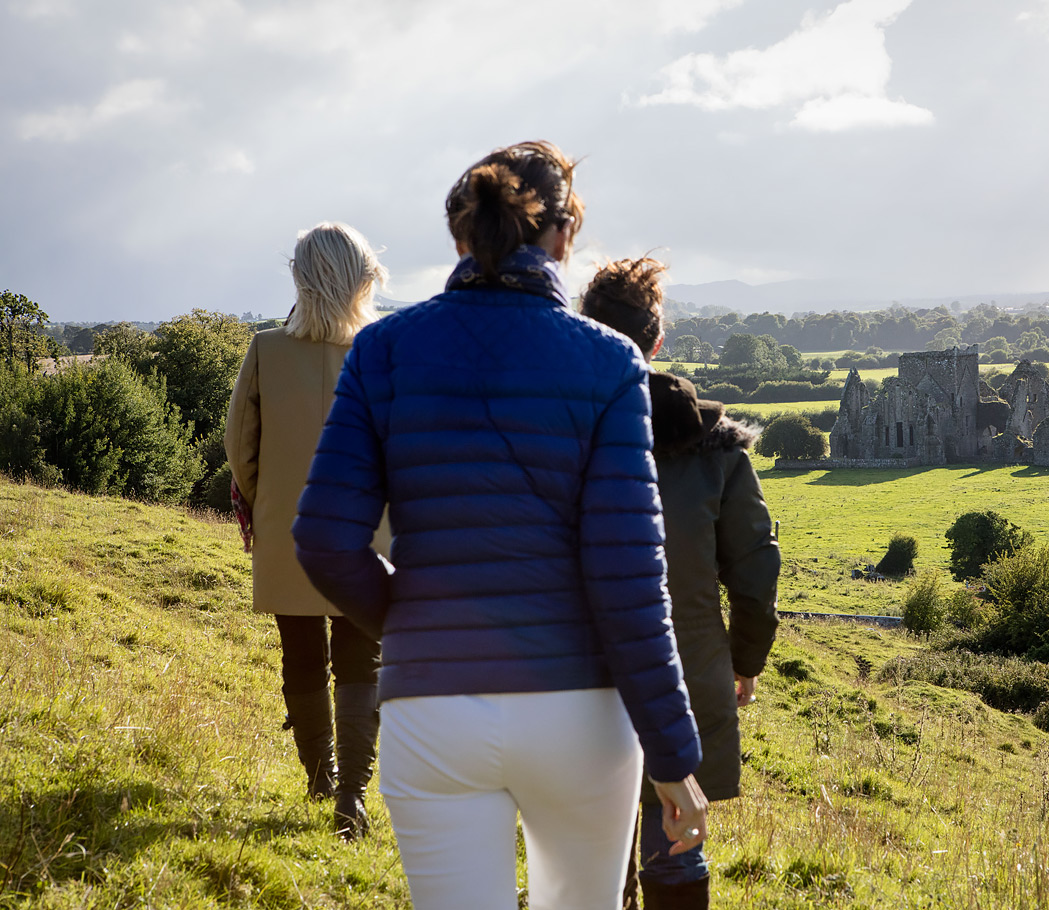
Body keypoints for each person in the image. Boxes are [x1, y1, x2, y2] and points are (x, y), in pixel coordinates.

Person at [292, 141, 707, 910]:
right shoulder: (609, 363)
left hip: (431, 710)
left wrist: (414, 622)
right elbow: (629, 582)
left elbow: (322, 537)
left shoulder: (382, 350)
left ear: (461, 236)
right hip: (579, 710)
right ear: (564, 237)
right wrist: (675, 755)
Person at [580, 259, 780, 910]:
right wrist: (745, 660)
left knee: (587, 857)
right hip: (685, 665)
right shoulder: (714, 447)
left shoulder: (557, 428)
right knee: (676, 843)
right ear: (657, 340)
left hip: (576, 665)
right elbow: (754, 564)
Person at [224, 222, 392, 840]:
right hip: (369, 531)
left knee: (301, 656)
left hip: (288, 527)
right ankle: (352, 795)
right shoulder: (386, 349)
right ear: (363, 277)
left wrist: (263, 501)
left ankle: (321, 783)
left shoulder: (267, 348)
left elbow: (241, 447)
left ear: (300, 276)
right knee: (360, 659)